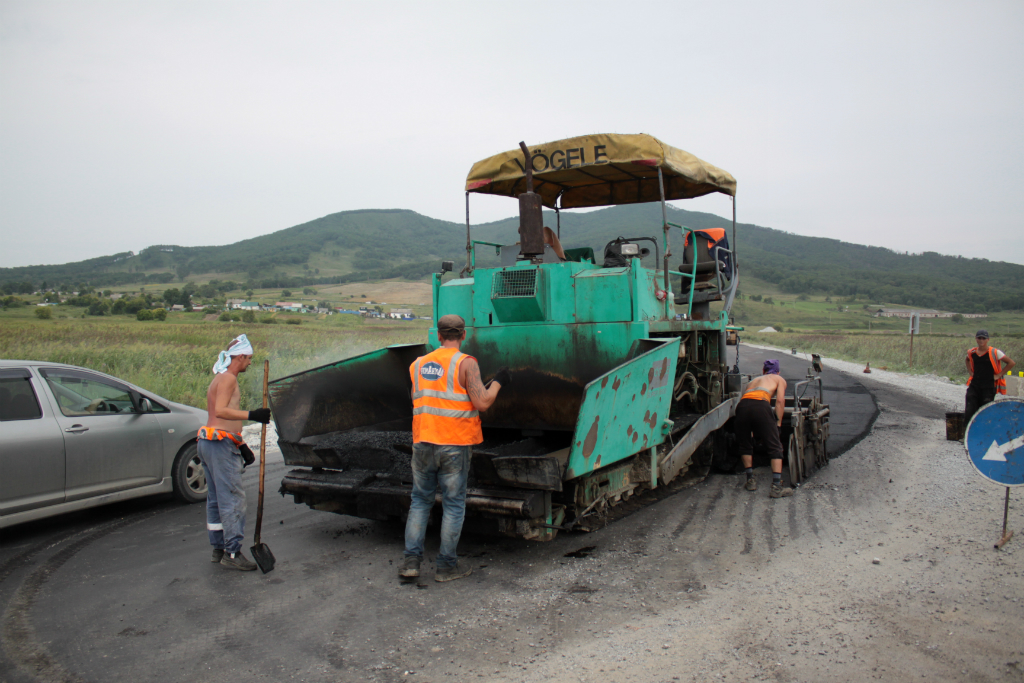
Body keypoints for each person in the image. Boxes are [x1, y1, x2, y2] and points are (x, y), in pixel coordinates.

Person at [399, 314, 509, 583]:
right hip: (454, 445)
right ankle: (446, 566)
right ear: (463, 335)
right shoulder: (466, 363)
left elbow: (424, 397)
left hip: (423, 441)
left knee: (420, 501)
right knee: (453, 505)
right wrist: (499, 382)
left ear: (438, 335)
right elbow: (482, 403)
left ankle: (411, 562)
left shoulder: (417, 364)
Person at [198, 334, 271, 571]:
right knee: (233, 500)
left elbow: (219, 417)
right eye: (249, 358)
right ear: (239, 356)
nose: (250, 362)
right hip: (219, 446)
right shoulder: (228, 379)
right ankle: (232, 553)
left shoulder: (220, 378)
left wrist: (241, 445)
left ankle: (219, 549)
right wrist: (253, 415)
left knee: (217, 499)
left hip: (211, 442)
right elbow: (220, 412)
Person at [736, 359, 792, 498]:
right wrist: (778, 423)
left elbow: (746, 401)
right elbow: (779, 401)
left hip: (742, 407)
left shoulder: (753, 381)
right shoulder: (779, 379)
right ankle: (776, 488)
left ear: (763, 371)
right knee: (775, 447)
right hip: (761, 405)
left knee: (745, 444)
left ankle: (750, 481)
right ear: (778, 372)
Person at [965, 330, 1015, 422]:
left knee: (985, 411)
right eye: (979, 338)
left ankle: (984, 434)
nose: (981, 340)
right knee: (970, 410)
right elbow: (967, 360)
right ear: (976, 339)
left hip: (989, 386)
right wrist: (970, 372)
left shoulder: (995, 352)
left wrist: (999, 375)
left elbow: (1011, 363)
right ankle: (968, 433)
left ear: (988, 339)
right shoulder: (972, 352)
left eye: (983, 338)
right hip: (974, 385)